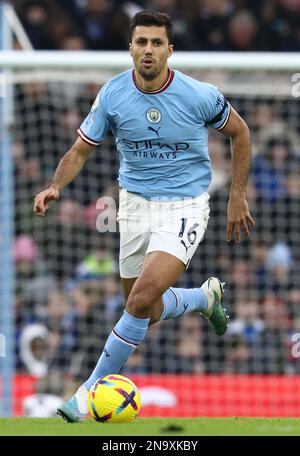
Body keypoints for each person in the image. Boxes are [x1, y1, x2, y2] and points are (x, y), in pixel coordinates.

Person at [33, 10, 255, 422]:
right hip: (133, 206)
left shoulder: (197, 94)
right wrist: (55, 185)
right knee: (146, 310)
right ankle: (204, 298)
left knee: (138, 300)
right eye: (141, 42)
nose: (148, 50)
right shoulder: (113, 94)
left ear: (170, 49)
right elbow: (81, 149)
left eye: (156, 43)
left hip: (185, 205)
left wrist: (236, 194)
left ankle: (85, 393)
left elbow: (239, 132)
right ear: (130, 48)